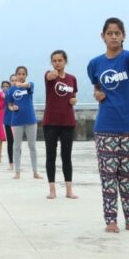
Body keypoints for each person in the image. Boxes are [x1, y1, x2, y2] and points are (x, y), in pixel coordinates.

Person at [87, 18, 129, 233]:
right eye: (110, 33)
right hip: (105, 126)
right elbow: (96, 87)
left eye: (118, 33)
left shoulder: (127, 57)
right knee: (108, 177)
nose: (114, 36)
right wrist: (97, 94)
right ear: (103, 36)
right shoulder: (95, 64)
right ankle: (111, 220)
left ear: (123, 35)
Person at [43, 50, 78, 200]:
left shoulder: (72, 79)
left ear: (65, 61)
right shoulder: (49, 76)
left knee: (66, 156)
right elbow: (49, 76)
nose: (57, 63)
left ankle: (69, 190)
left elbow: (73, 95)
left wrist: (73, 101)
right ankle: (52, 189)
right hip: (51, 122)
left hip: (67, 122)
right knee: (51, 155)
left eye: (60, 60)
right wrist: (52, 74)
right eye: (54, 60)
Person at [8, 66, 42, 180]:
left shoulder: (30, 86)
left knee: (32, 146)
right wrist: (13, 108)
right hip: (17, 121)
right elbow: (9, 104)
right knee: (17, 146)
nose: (21, 76)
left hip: (30, 121)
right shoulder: (11, 90)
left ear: (26, 75)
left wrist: (21, 84)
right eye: (19, 74)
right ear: (16, 75)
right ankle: (17, 172)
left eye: (23, 74)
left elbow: (29, 85)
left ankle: (35, 171)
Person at [2, 78, 15, 170]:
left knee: (17, 143)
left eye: (15, 80)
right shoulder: (8, 93)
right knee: (10, 142)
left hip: (18, 121)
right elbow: (9, 105)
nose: (14, 81)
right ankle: (11, 163)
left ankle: (17, 163)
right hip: (8, 120)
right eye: (12, 80)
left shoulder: (21, 91)